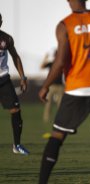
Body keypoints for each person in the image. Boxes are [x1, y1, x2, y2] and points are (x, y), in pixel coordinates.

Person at [38, 0, 90, 183]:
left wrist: (45, 85)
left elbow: (60, 61)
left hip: (77, 89)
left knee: (57, 136)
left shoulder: (64, 25)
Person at [0, 13, 30, 155]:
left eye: (0, 20)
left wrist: (23, 77)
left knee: (16, 110)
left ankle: (17, 145)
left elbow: (15, 57)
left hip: (3, 79)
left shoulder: (6, 38)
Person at [40, 49, 64, 124]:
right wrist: (45, 58)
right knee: (48, 103)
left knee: (60, 104)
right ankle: (46, 118)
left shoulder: (61, 63)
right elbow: (42, 67)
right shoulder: (51, 63)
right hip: (51, 86)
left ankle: (61, 119)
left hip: (60, 86)